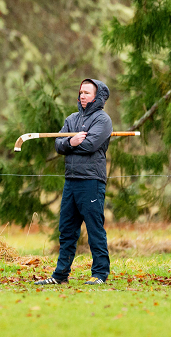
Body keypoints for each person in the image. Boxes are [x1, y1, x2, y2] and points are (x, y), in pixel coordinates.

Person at [35, 79, 113, 286]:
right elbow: (59, 145)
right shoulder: (72, 119)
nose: (82, 96)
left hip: (91, 182)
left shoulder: (103, 120)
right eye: (81, 92)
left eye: (87, 92)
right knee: (67, 230)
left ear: (97, 96)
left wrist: (73, 144)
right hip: (71, 181)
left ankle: (99, 274)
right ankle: (60, 275)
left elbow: (90, 145)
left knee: (95, 229)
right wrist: (71, 141)